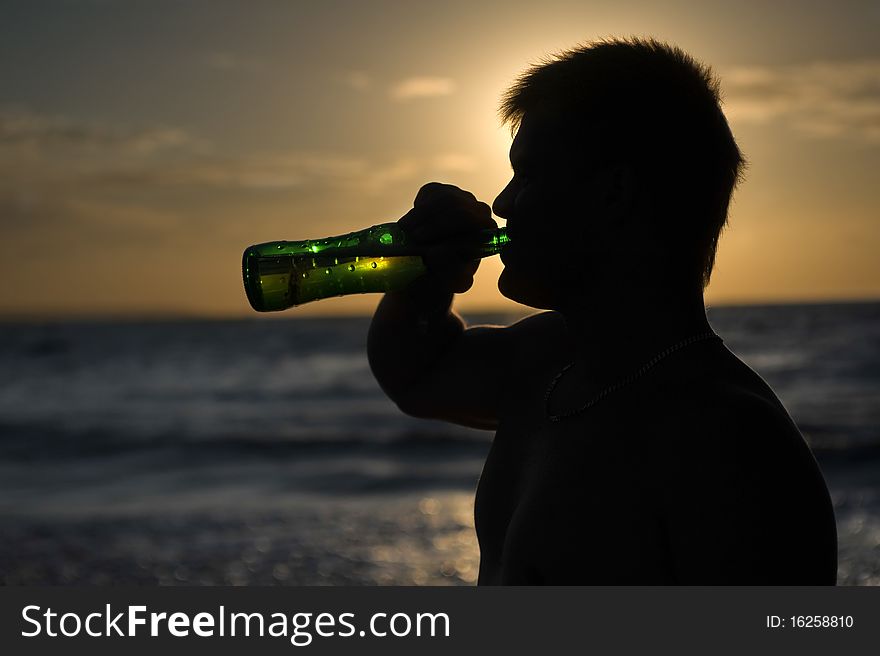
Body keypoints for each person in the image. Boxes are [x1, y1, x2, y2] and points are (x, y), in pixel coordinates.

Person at [367, 38, 838, 584]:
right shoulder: (547, 361)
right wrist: (423, 282)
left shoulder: (730, 443)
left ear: (614, 192)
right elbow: (415, 374)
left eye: (527, 175)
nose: (501, 203)